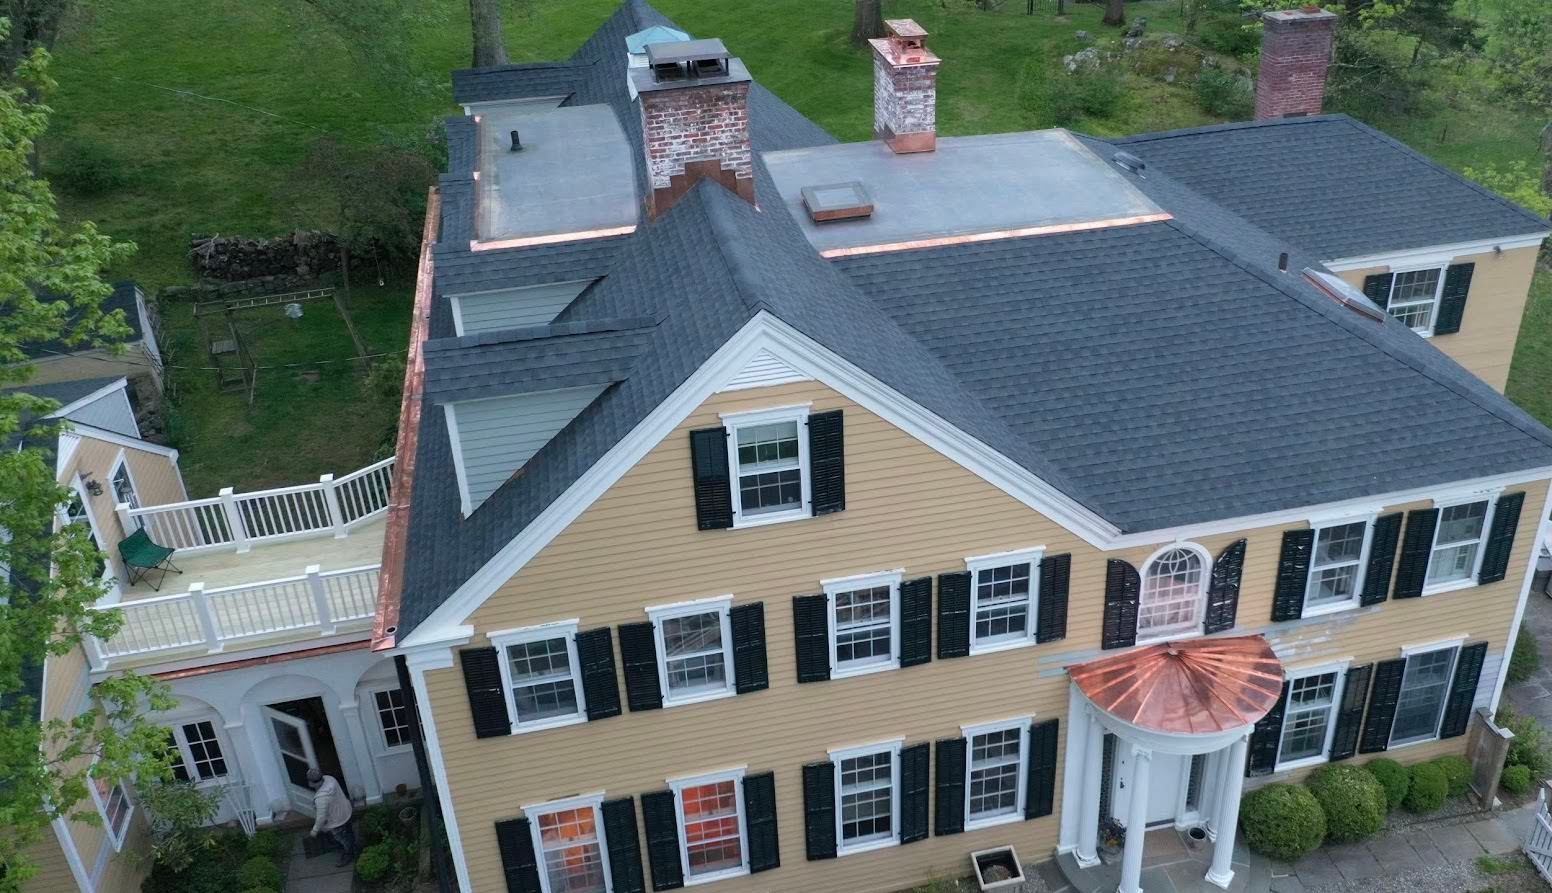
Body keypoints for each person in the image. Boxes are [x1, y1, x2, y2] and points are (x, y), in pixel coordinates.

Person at [307, 768, 357, 865]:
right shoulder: (330, 779)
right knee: (348, 831)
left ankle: (349, 853)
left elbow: (321, 817)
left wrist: (315, 830)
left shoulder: (321, 798)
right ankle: (353, 844)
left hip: (336, 822)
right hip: (345, 811)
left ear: (311, 783)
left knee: (342, 838)